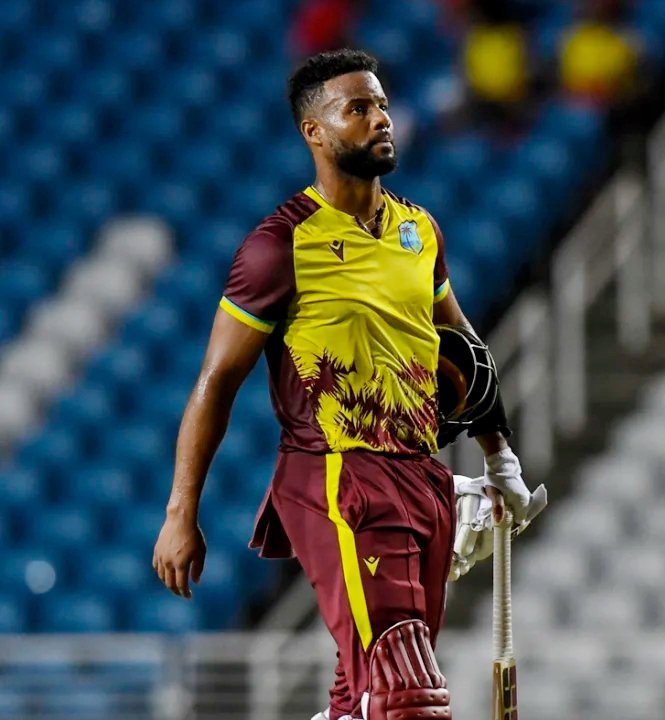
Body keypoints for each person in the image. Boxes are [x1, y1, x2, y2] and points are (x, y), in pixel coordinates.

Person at [151, 49, 543, 720]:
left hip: (420, 477)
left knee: (362, 694)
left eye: (382, 105)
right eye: (358, 109)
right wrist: (179, 513)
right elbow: (216, 382)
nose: (380, 118)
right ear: (314, 131)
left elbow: (464, 351)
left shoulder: (419, 230)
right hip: (337, 476)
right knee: (406, 692)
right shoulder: (280, 245)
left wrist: (499, 459)